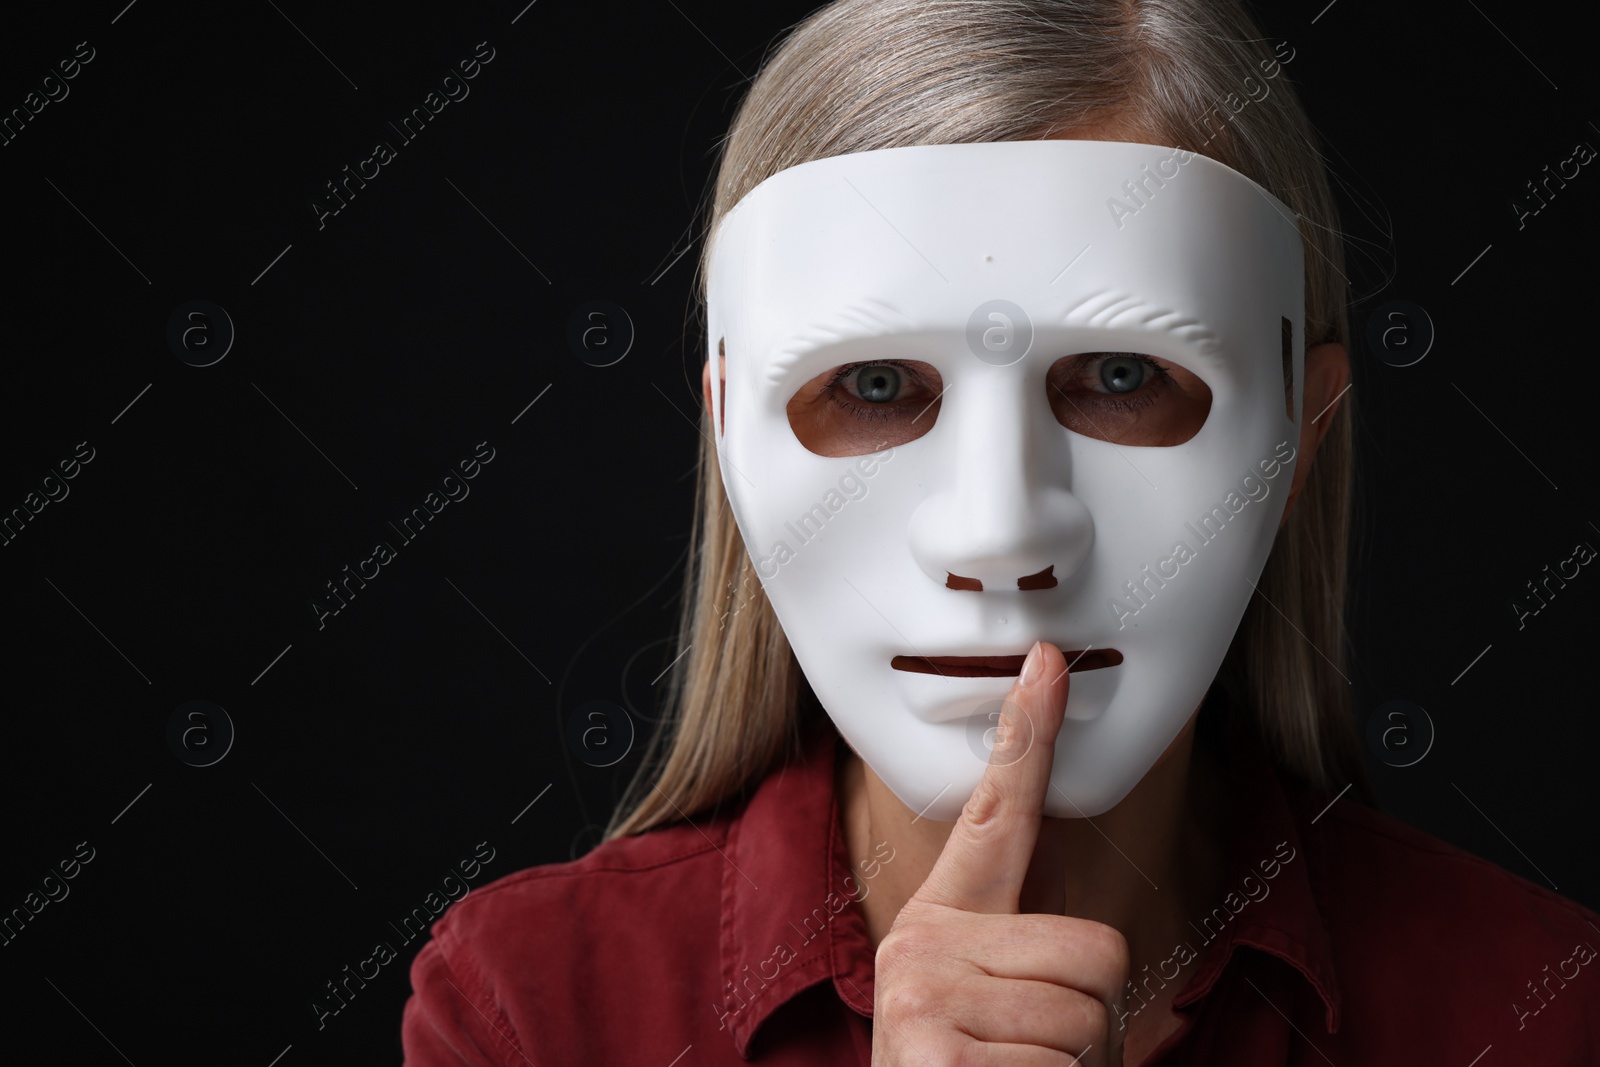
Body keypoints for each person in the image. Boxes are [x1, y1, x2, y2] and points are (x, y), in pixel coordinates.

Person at [400, 1, 1600, 1063]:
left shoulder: (1536, 1010)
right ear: (726, 433)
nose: (1000, 535)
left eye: (1121, 374)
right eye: (874, 385)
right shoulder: (537, 1011)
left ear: (1302, 430)